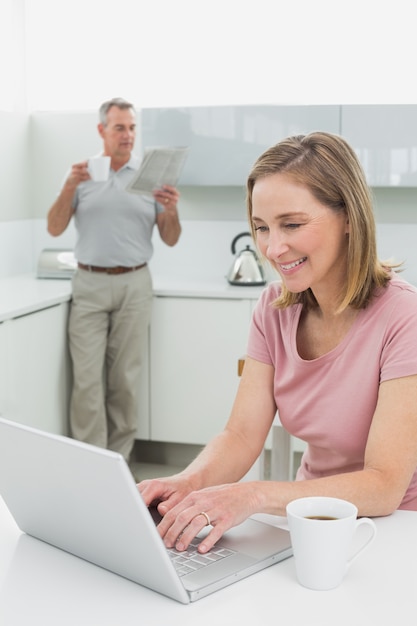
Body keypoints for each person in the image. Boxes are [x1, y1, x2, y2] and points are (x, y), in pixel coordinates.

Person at [139, 131, 417, 555]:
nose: (273, 247)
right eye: (261, 228)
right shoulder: (273, 308)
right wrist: (186, 484)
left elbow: (383, 485)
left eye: (292, 224)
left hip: (394, 529)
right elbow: (241, 435)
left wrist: (251, 496)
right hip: (306, 519)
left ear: (348, 217)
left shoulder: (403, 316)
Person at [47, 97, 182, 467]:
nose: (128, 135)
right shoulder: (81, 175)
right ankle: (91, 465)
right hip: (89, 284)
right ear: (102, 130)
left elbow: (170, 237)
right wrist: (69, 188)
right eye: (120, 127)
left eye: (132, 127)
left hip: (135, 284)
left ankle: (118, 465)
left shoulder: (150, 176)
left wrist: (170, 209)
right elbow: (55, 226)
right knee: (87, 383)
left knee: (124, 380)